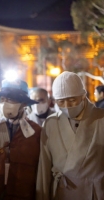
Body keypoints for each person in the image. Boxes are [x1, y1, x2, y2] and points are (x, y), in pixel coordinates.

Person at [36, 71, 104, 199]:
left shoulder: (101, 119)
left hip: (93, 193)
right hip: (60, 192)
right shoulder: (51, 123)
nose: (67, 106)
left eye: (72, 100)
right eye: (61, 102)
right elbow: (44, 167)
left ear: (83, 96)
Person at [0, 79, 41, 199]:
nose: (5, 102)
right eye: (3, 99)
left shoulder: (36, 131)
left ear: (24, 104)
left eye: (11, 99)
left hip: (22, 194)